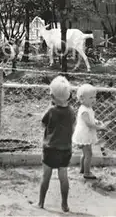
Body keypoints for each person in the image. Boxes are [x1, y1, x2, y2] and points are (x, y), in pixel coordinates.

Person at [38, 75, 76, 212]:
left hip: (50, 148)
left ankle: (41, 202)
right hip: (65, 149)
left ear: (52, 96)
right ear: (69, 96)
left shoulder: (51, 111)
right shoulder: (71, 112)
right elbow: (73, 127)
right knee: (64, 177)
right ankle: (64, 204)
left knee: (46, 176)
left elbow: (43, 124)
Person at [72, 83, 107, 180]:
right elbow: (88, 124)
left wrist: (97, 121)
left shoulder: (88, 108)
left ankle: (83, 169)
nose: (94, 100)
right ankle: (87, 173)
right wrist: (100, 128)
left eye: (94, 97)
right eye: (91, 97)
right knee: (89, 154)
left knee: (85, 153)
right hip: (84, 134)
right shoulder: (84, 110)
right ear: (82, 99)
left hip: (85, 133)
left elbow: (91, 120)